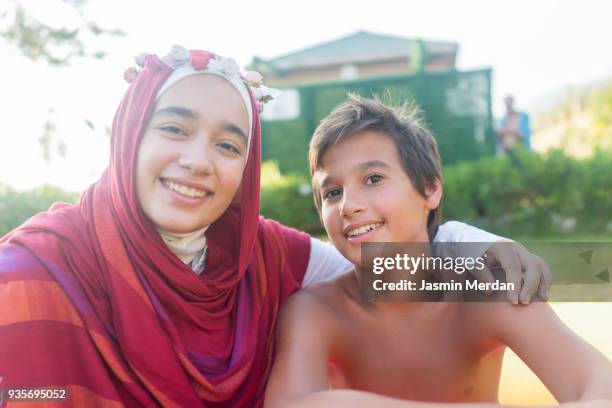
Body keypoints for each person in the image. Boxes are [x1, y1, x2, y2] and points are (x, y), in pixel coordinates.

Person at [0, 47, 549, 407]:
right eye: (173, 128)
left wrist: (468, 242)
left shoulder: (260, 256)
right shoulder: (31, 271)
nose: (198, 160)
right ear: (128, 137)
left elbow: (388, 270)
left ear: (246, 166)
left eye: (228, 144)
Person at [264, 96, 612, 408]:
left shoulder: (488, 288)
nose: (348, 206)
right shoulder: (316, 310)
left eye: (373, 179)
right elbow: (292, 403)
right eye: (332, 192)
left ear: (430, 189)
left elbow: (599, 387)